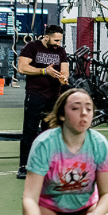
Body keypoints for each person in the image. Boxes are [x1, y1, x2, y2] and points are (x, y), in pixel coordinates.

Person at [16, 26, 69, 179]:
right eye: (55, 40)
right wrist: (44, 71)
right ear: (46, 37)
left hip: (54, 98)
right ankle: (24, 166)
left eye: (60, 40)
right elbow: (22, 67)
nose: (58, 43)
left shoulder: (60, 51)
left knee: (51, 134)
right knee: (30, 132)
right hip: (35, 96)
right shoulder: (32, 47)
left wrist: (63, 78)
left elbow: (65, 70)